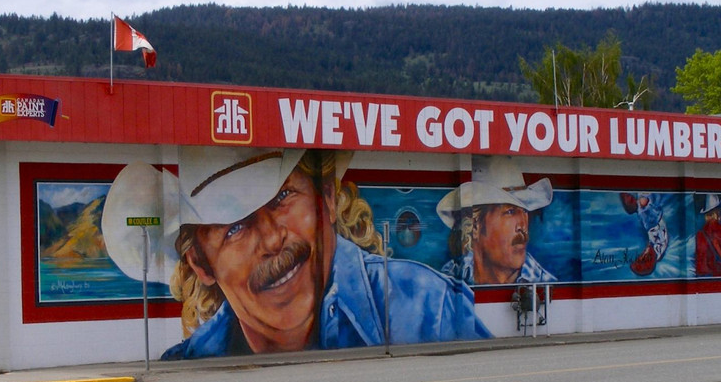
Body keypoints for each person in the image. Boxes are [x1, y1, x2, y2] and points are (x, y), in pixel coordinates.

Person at [102, 147, 491, 359]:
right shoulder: (187, 360)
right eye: (234, 227)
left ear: (324, 198)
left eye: (283, 197)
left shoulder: (430, 306)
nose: (272, 240)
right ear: (200, 263)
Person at [437, 156, 556, 285]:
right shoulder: (447, 281)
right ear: (474, 226)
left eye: (525, 211)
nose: (523, 226)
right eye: (510, 212)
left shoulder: (544, 283)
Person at [619, 192, 669, 276]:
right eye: (642, 258)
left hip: (652, 221)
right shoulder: (658, 249)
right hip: (653, 220)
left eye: (639, 257)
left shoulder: (655, 251)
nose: (642, 254)